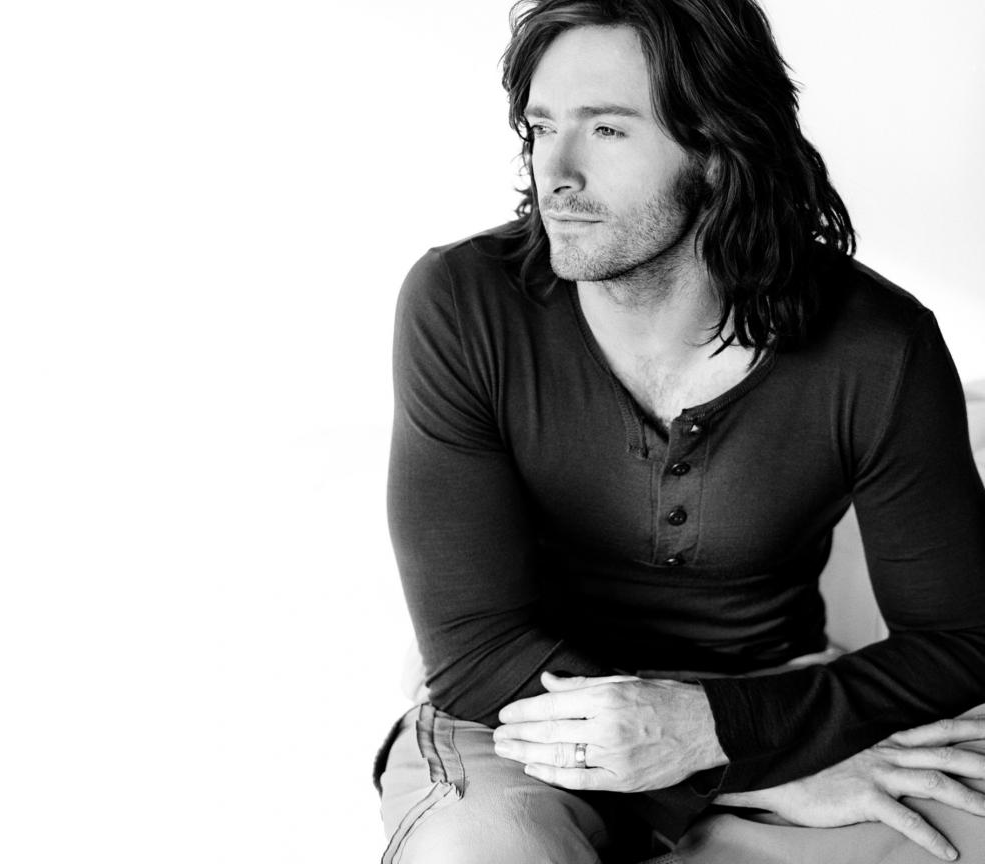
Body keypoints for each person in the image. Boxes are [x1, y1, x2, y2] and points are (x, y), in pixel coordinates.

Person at [373, 1, 985, 862]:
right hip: (519, 727)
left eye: (607, 130)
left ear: (719, 147)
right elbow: (476, 649)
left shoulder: (878, 347)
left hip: (767, 705)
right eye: (541, 127)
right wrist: (732, 766)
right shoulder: (463, 303)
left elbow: (961, 640)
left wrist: (720, 729)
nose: (555, 171)